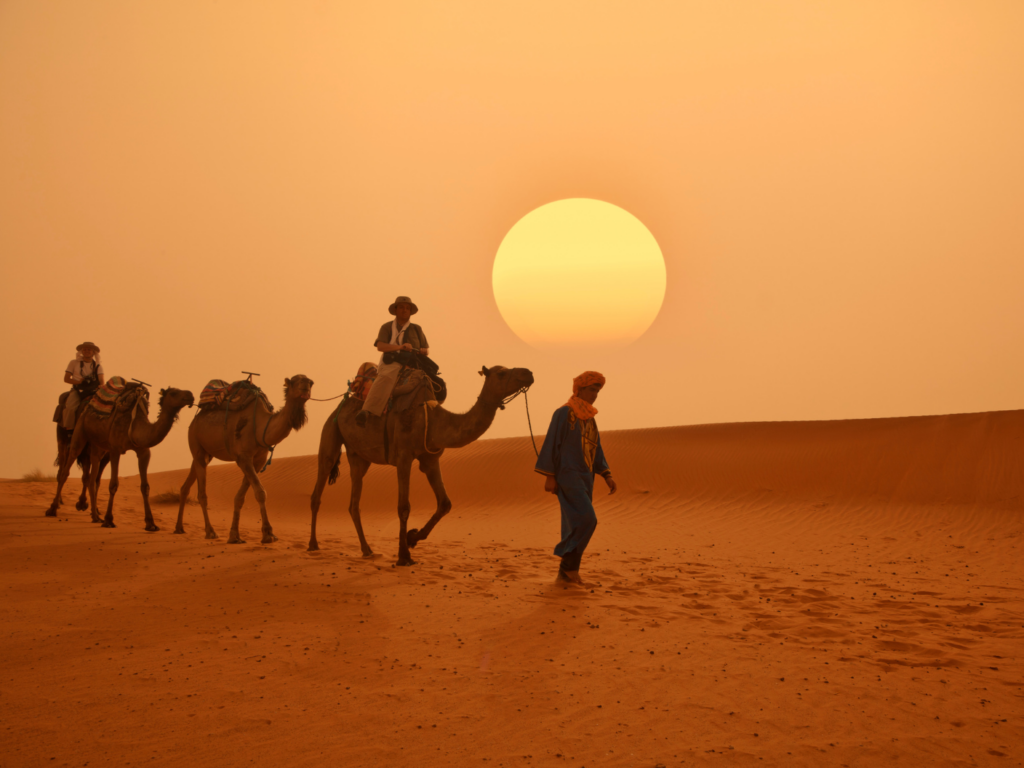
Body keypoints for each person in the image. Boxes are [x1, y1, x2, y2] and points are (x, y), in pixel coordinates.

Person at [535, 371, 617, 584]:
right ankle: (566, 564)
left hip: (586, 476)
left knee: (575, 522)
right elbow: (552, 443)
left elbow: (595, 447)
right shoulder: (564, 413)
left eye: (598, 391)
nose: (595, 394)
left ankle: (569, 573)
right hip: (567, 474)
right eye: (592, 389)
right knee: (587, 519)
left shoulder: (589, 417)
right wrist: (549, 476)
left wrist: (606, 474)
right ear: (579, 389)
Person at [356, 296, 430, 427]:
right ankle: (367, 410)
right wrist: (401, 347)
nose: (404, 310)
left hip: (414, 364)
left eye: (407, 308)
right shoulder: (387, 327)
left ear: (410, 311)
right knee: (386, 376)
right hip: (392, 363)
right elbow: (380, 346)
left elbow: (426, 349)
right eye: (401, 307)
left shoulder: (417, 329)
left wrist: (423, 351)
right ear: (395, 310)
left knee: (434, 383)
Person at [62, 341, 105, 430]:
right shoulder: (74, 363)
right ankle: (69, 431)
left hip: (93, 391)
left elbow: (101, 381)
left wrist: (100, 386)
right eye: (84, 349)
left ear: (93, 352)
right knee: (70, 408)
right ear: (82, 351)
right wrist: (79, 382)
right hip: (78, 390)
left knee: (106, 408)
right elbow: (66, 379)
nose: (86, 351)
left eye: (89, 349)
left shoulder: (97, 366)